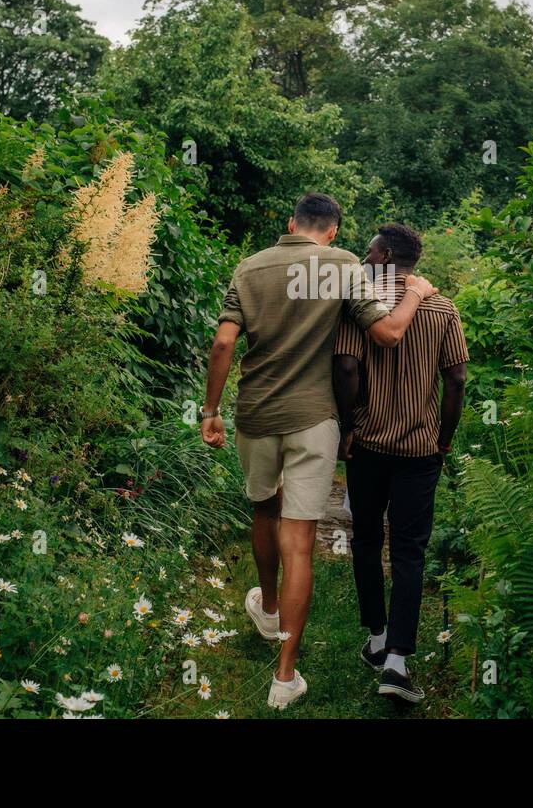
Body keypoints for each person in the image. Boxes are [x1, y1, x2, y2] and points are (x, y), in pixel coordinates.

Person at [199, 194, 437, 710]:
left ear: (290, 224)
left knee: (264, 506)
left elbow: (222, 345)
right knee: (300, 538)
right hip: (314, 420)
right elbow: (389, 334)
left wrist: (210, 410)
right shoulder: (344, 264)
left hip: (257, 413)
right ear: (332, 231)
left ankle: (266, 605)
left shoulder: (250, 267)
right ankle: (285, 677)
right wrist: (415, 293)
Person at [333, 222, 468, 703]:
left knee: (366, 539)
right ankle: (397, 661)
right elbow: (455, 381)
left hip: (368, 445)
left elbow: (346, 368)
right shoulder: (442, 308)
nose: (364, 258)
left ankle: (374, 637)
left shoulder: (359, 308)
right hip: (419, 451)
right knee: (410, 550)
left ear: (386, 254)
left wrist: (348, 427)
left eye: (369, 251)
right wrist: (443, 441)